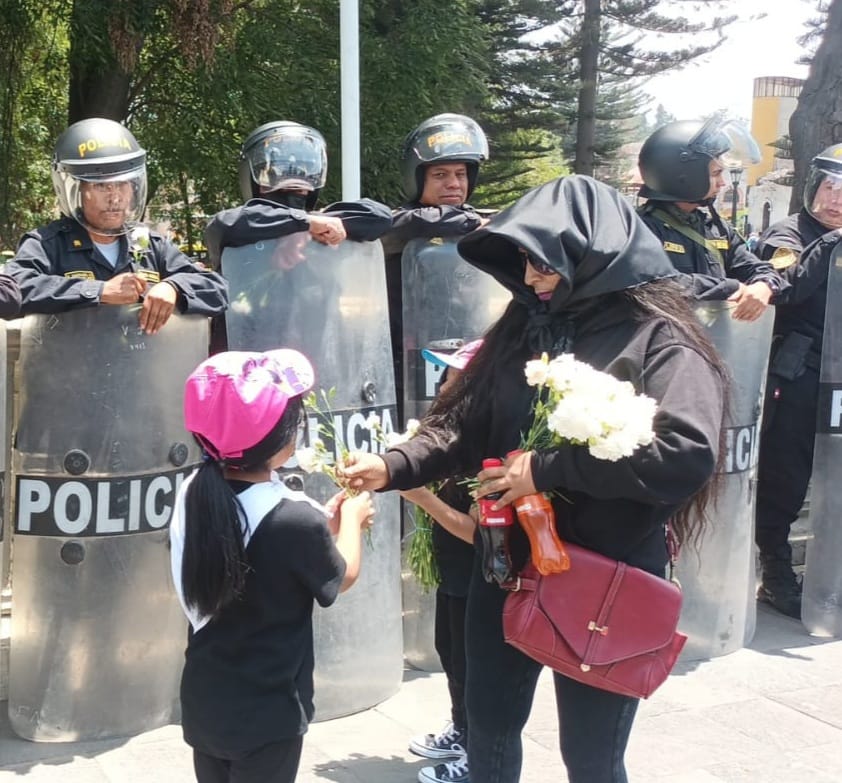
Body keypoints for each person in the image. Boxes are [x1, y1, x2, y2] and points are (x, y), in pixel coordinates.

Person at [340, 174, 729, 783]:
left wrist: (546, 469)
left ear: (592, 250)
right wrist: (392, 465)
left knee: (592, 757)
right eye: (520, 260)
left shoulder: (662, 338)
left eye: (541, 259)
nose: (529, 275)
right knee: (488, 729)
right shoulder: (523, 325)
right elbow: (461, 425)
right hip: (506, 562)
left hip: (607, 575)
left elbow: (686, 453)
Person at [169, 347, 375, 783]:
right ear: (281, 438)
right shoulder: (295, 518)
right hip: (268, 709)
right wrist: (352, 522)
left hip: (205, 698)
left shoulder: (193, 492)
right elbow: (341, 576)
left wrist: (325, 526)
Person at [6, 118, 228, 332]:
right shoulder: (47, 244)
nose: (115, 198)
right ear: (76, 190)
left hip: (140, 367)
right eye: (101, 186)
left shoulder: (151, 244)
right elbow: (14, 290)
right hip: (71, 368)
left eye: (122, 184)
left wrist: (174, 288)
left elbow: (216, 289)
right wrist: (99, 291)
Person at [752, 143, 842, 618]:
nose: (837, 199)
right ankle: (776, 575)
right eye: (830, 187)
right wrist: (830, 242)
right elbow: (784, 291)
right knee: (785, 478)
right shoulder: (787, 236)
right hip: (798, 374)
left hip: (839, 376)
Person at [403, 339, 483, 783]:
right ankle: (462, 728)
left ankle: (478, 751)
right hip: (452, 571)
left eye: (452, 375)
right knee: (450, 651)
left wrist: (422, 498)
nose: (443, 383)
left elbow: (477, 532)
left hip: (479, 576)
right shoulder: (449, 435)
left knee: (474, 664)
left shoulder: (487, 447)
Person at [380, 113, 490, 422]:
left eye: (461, 173)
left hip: (467, 359)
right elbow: (399, 224)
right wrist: (471, 222)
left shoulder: (481, 226)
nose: (454, 183)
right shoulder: (399, 226)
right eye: (440, 175)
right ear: (418, 179)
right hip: (407, 366)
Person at [637, 117, 786, 321]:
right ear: (685, 176)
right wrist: (729, 287)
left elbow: (756, 267)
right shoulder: (639, 229)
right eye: (716, 174)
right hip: (662, 344)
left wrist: (764, 284)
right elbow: (660, 283)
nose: (722, 183)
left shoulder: (717, 228)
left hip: (714, 344)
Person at [203, 120, 392, 269]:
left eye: (301, 188)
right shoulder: (240, 227)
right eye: (282, 188)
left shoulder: (325, 226)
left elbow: (380, 217)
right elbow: (223, 224)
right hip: (251, 318)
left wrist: (315, 224)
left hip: (317, 318)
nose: (296, 193)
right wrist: (305, 223)